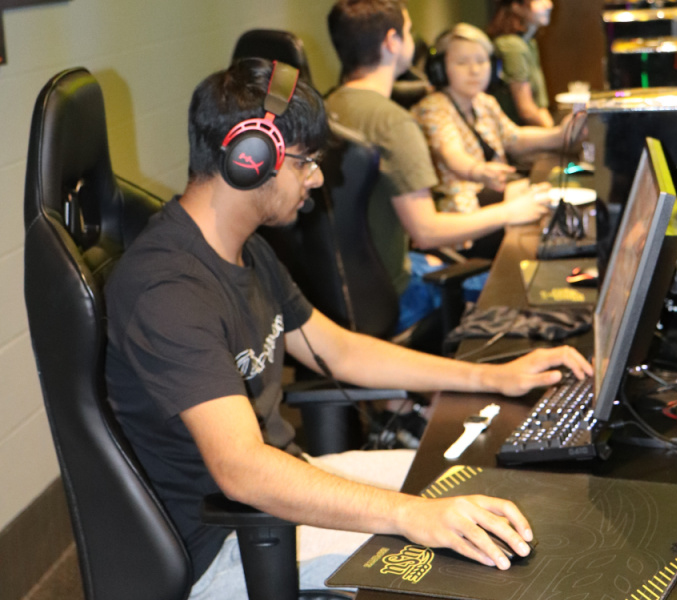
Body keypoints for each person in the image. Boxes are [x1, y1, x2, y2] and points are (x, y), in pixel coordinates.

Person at [104, 57, 593, 599]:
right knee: (470, 564)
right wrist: (411, 516)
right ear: (250, 158)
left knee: (489, 487)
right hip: (231, 542)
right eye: (307, 162)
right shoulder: (167, 289)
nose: (317, 178)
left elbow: (340, 351)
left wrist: (490, 377)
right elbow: (241, 469)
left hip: (282, 487)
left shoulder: (245, 251)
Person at [325, 0, 552, 331]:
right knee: (525, 288)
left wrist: (414, 261)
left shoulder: (331, 105)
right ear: (391, 42)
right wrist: (512, 211)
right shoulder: (393, 123)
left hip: (348, 291)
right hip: (398, 297)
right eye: (407, 32)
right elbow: (427, 230)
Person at [412, 23, 572, 216]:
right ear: (440, 69)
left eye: (481, 61)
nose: (474, 70)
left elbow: (514, 138)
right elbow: (451, 154)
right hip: (462, 211)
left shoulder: (484, 101)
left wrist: (559, 135)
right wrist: (478, 171)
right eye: (462, 62)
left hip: (494, 193)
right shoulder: (434, 108)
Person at [487, 0, 554, 127]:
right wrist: (558, 137)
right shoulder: (512, 45)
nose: (548, 5)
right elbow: (526, 111)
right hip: (516, 137)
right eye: (539, 1)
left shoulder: (529, 44)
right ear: (517, 7)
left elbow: (539, 106)